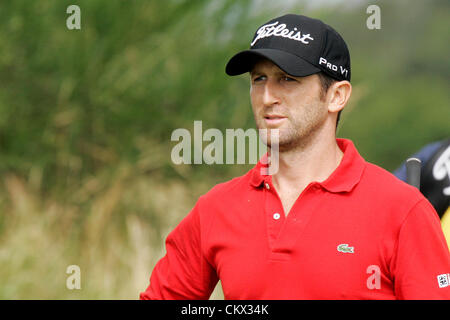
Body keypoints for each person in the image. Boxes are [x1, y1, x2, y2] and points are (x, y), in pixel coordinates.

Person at [140, 14, 450, 299]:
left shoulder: (403, 211)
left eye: (287, 79)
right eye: (258, 79)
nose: (267, 97)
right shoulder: (215, 209)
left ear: (337, 95)